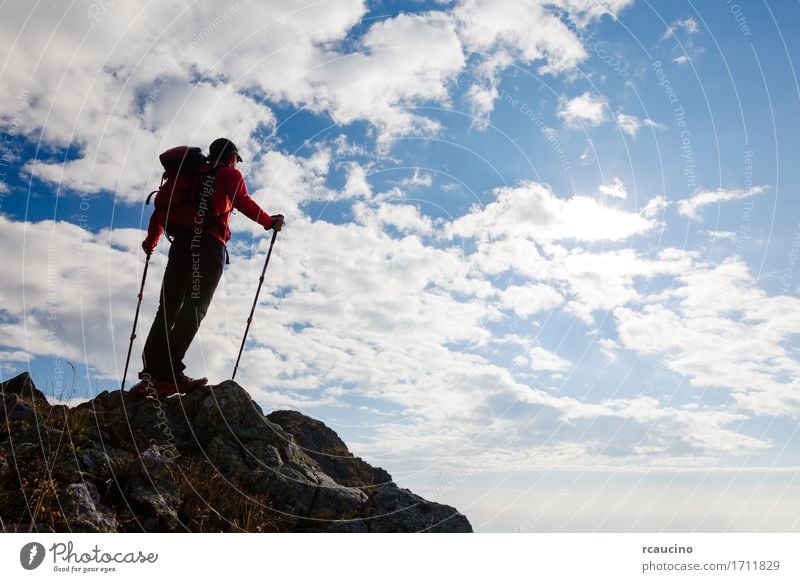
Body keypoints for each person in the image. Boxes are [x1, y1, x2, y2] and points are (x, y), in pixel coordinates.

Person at [129, 138, 284, 397]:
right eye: (236, 158)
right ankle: (168, 376)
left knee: (166, 310)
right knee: (194, 308)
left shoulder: (187, 175)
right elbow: (242, 200)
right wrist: (269, 222)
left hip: (181, 245)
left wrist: (151, 241)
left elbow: (161, 211)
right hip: (208, 246)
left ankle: (151, 376)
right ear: (232, 156)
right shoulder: (229, 175)